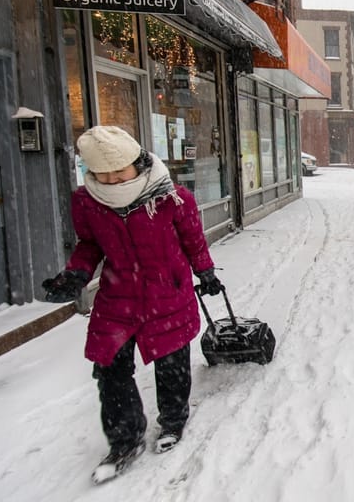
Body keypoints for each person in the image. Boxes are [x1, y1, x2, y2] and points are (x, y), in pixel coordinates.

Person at [41, 126, 226, 484]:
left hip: (166, 292)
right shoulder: (89, 202)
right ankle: (124, 439)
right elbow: (89, 245)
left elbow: (193, 240)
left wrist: (205, 272)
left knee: (171, 363)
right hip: (118, 295)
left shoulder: (173, 197)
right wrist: (76, 275)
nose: (110, 180)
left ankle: (173, 421)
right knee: (109, 369)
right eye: (101, 173)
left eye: (118, 171)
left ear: (138, 163)